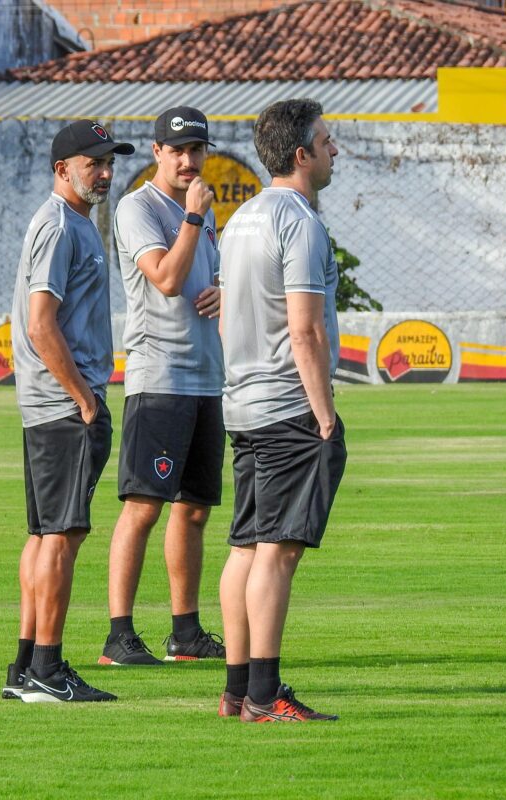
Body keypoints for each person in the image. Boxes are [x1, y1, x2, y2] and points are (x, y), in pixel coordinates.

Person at [216, 99, 347, 721]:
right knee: (278, 550)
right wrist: (323, 415)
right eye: (326, 141)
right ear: (300, 154)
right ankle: (266, 696)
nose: (334, 149)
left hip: (241, 403)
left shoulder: (241, 217)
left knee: (245, 546)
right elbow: (306, 332)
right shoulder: (300, 221)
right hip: (286, 406)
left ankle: (237, 691)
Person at [3, 120, 135, 703]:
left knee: (45, 537)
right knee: (61, 536)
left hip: (54, 406)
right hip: (64, 406)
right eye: (93, 162)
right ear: (62, 168)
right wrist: (83, 398)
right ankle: (47, 670)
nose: (105, 172)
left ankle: (28, 664)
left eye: (109, 162)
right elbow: (40, 323)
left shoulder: (74, 223)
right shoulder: (58, 225)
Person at [99, 107, 226, 667]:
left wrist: (224, 289)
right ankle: (118, 635)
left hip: (206, 376)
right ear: (156, 152)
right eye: (176, 150)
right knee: (143, 507)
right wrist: (193, 221)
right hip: (159, 376)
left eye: (196, 149)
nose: (187, 160)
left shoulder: (202, 211)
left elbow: (207, 278)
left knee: (194, 509)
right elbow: (168, 279)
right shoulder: (137, 207)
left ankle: (185, 632)